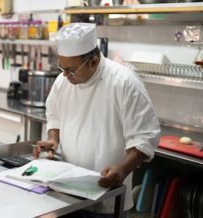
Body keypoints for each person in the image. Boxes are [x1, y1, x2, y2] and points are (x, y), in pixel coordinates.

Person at [33, 23, 161, 217]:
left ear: (93, 62)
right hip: (65, 191)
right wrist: (53, 140)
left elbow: (145, 138)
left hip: (107, 196)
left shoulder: (124, 82)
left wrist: (123, 169)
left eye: (71, 70)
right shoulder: (63, 81)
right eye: (62, 68)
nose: (65, 75)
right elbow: (55, 116)